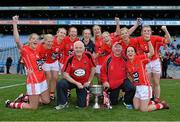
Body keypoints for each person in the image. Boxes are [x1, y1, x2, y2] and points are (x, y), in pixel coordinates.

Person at [5, 15, 50, 110]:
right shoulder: (25, 50)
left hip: (42, 79)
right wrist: (14, 24)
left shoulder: (38, 48)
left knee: (47, 101)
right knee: (33, 107)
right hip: (34, 81)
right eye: (33, 38)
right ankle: (11, 104)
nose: (35, 40)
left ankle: (25, 97)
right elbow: (17, 41)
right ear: (29, 41)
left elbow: (47, 42)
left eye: (37, 39)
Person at [126, 39, 169, 112]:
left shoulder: (139, 58)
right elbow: (130, 75)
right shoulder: (127, 64)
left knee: (143, 109)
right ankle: (153, 102)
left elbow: (151, 53)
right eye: (128, 51)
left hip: (145, 87)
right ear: (126, 54)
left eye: (132, 51)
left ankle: (161, 105)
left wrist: (148, 41)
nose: (130, 53)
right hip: (138, 88)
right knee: (136, 107)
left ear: (135, 53)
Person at [55, 41, 96, 110]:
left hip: (83, 83)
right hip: (72, 81)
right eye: (76, 48)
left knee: (82, 105)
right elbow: (65, 74)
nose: (78, 50)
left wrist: (89, 82)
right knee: (61, 83)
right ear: (73, 49)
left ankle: (83, 98)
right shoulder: (70, 58)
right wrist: (76, 83)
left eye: (80, 48)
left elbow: (93, 69)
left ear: (84, 48)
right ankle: (62, 103)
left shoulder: (89, 55)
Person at [136, 25, 171, 102]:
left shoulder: (155, 38)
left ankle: (157, 98)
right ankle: (149, 97)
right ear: (141, 32)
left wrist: (165, 30)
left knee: (156, 82)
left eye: (148, 31)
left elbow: (168, 41)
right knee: (148, 82)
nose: (146, 32)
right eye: (145, 31)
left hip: (155, 62)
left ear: (151, 32)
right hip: (145, 62)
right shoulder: (138, 39)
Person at [100, 42, 135, 109]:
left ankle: (126, 101)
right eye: (116, 47)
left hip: (123, 80)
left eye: (119, 47)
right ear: (113, 48)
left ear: (122, 49)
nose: (118, 49)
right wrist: (105, 81)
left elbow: (131, 68)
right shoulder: (108, 59)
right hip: (112, 84)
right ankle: (111, 96)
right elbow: (103, 72)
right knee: (113, 102)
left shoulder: (125, 58)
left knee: (132, 88)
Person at [37, 34, 59, 100]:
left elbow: (57, 53)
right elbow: (38, 60)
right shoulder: (39, 48)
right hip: (45, 62)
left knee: (55, 77)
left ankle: (51, 93)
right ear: (45, 41)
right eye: (48, 41)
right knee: (48, 77)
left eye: (51, 42)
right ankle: (45, 93)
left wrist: (56, 54)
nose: (50, 43)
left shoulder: (54, 46)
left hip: (54, 61)